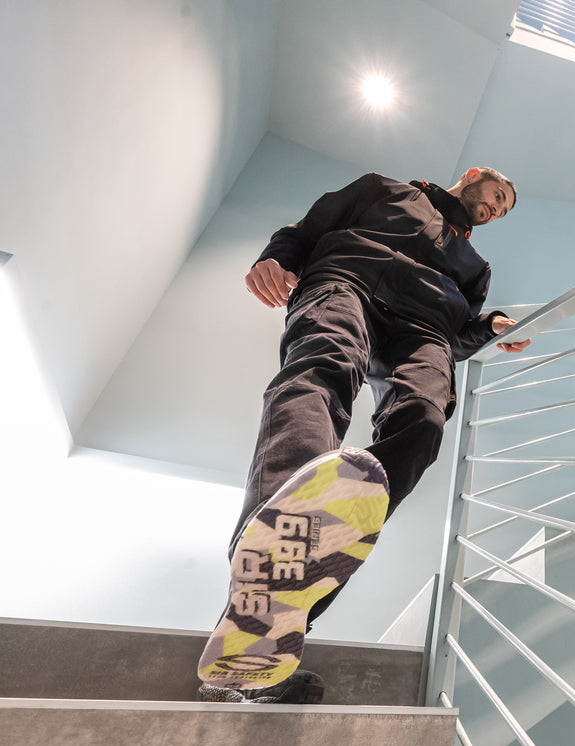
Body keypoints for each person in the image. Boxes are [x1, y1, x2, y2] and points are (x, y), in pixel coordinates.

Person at [196, 167, 530, 703]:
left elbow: (461, 334)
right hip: (347, 281)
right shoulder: (384, 190)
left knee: (424, 421)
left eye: (504, 209)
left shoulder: (475, 267)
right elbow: (309, 226)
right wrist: (278, 258)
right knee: (320, 374)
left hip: (426, 330)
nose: (496, 209)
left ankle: (279, 611)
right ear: (472, 176)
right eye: (497, 195)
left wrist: (488, 327)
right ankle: (267, 587)